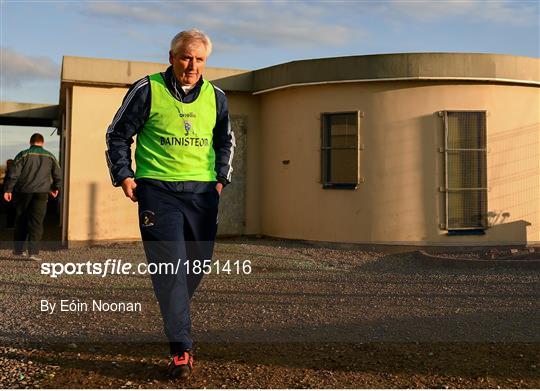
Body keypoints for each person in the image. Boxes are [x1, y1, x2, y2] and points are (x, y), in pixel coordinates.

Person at [105, 29, 234, 379]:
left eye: (199, 59)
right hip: (158, 194)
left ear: (205, 62)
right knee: (171, 268)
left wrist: (221, 178)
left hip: (203, 194)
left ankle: (173, 308)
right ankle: (181, 348)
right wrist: (124, 174)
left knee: (196, 266)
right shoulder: (147, 89)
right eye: (185, 57)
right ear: (172, 57)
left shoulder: (217, 97)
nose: (192, 65)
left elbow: (225, 141)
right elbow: (117, 134)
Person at [3, 133, 62, 261]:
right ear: (42, 142)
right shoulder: (50, 156)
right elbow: (58, 174)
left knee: (21, 219)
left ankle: (19, 250)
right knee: (36, 222)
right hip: (41, 193)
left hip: (23, 192)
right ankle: (33, 253)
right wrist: (55, 188)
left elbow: (14, 173)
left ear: (30, 142)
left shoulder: (23, 154)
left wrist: (8, 189)